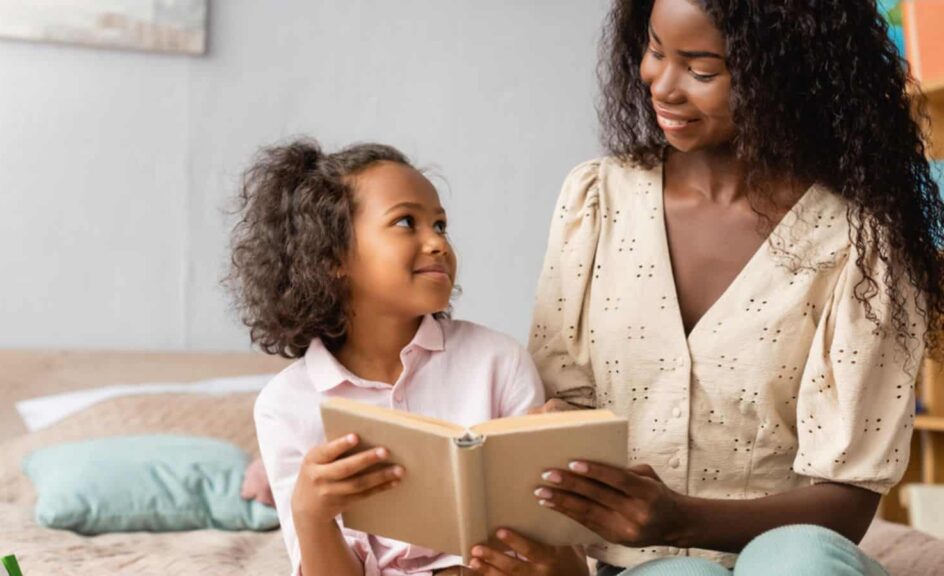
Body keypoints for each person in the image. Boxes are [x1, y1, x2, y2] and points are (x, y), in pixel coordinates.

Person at [466, 1, 944, 575]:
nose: (662, 85)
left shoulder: (860, 246)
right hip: (637, 567)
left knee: (795, 563)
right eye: (655, 50)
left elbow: (848, 498)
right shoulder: (596, 201)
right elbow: (564, 404)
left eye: (700, 69)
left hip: (801, 554)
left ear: (782, 73)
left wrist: (678, 517)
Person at [229, 139, 557, 575]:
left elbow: (550, 548)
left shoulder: (498, 362)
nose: (438, 242)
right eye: (407, 222)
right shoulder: (285, 405)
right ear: (331, 257)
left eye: (439, 225)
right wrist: (311, 515)